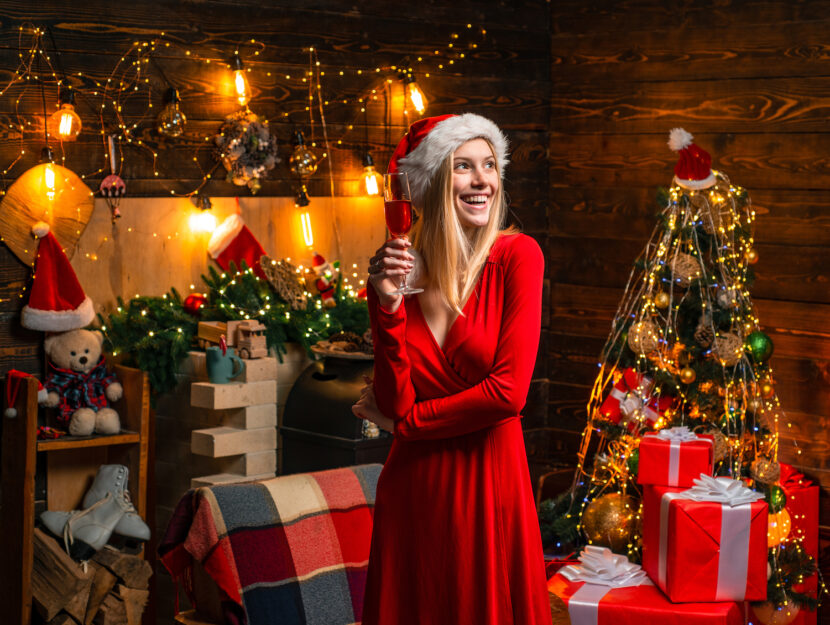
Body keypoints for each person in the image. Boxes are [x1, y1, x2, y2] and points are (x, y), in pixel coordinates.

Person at [352, 113, 552, 625]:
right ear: (432, 181)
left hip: (489, 484)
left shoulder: (517, 257)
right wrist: (388, 307)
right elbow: (394, 400)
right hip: (414, 490)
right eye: (464, 166)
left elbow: (507, 394)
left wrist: (409, 426)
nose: (482, 179)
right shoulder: (398, 273)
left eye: (489, 165)